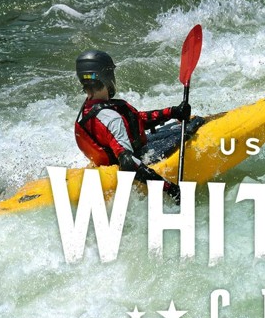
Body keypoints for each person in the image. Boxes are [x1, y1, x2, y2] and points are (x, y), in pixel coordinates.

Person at [73, 49, 189, 203]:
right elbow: (128, 163)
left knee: (177, 127)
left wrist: (172, 112)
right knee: (189, 130)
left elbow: (135, 121)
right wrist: (170, 189)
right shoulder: (111, 119)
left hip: (120, 155)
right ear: (107, 76)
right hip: (139, 159)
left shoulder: (88, 108)